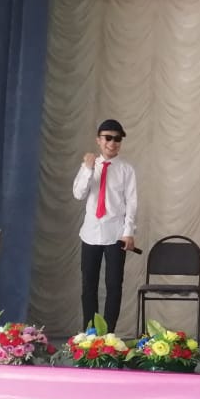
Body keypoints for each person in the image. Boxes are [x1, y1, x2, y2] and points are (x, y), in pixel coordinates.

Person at [71, 119, 137, 334]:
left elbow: (131, 203)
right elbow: (79, 193)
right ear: (98, 140)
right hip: (90, 233)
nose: (112, 143)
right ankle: (90, 333)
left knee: (114, 285)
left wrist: (128, 232)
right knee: (88, 285)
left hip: (116, 234)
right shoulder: (89, 167)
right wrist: (89, 169)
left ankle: (108, 335)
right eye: (108, 138)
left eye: (117, 139)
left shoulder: (126, 170)